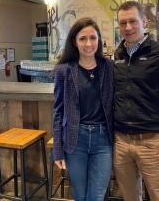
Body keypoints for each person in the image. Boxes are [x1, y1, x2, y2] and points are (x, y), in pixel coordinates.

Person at [113, 1, 159, 201]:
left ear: (144, 22)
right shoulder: (116, 56)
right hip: (121, 142)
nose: (128, 27)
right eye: (122, 23)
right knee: (129, 197)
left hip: (152, 143)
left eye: (132, 21)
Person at [52, 17, 114, 201]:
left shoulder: (109, 68)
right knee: (80, 194)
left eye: (93, 38)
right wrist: (58, 150)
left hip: (103, 139)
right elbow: (58, 111)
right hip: (74, 139)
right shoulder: (63, 70)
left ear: (99, 40)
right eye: (83, 38)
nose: (89, 44)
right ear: (74, 41)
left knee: (96, 195)